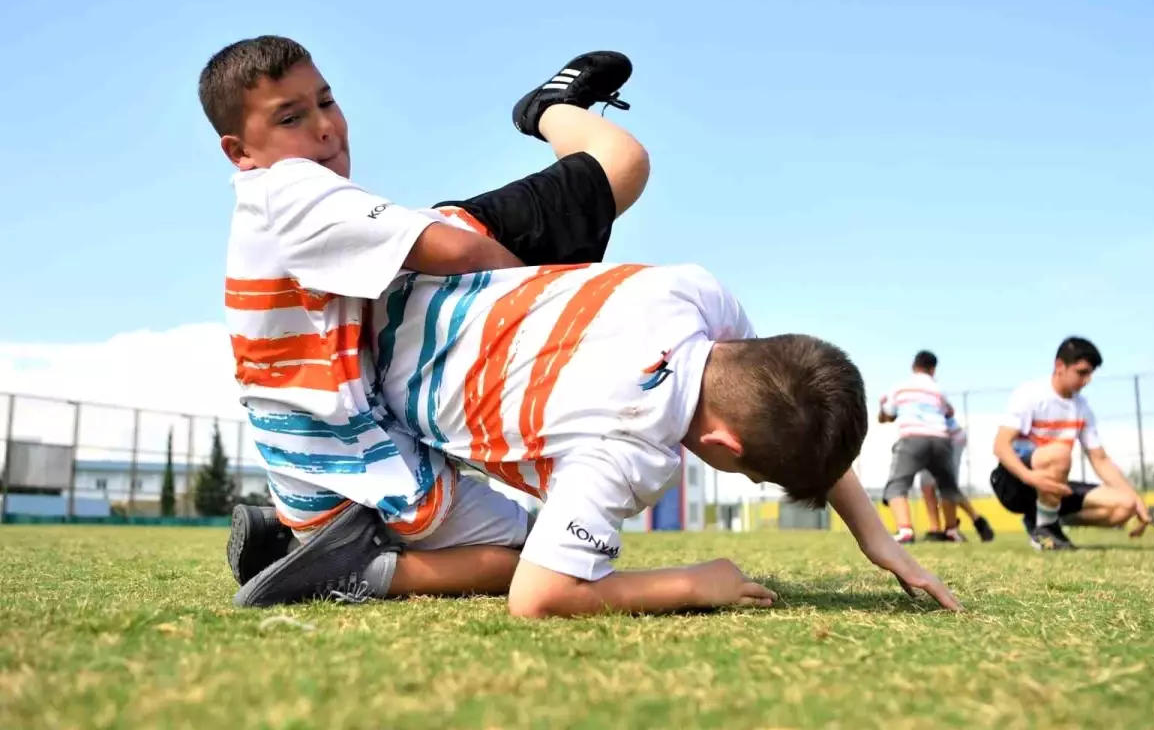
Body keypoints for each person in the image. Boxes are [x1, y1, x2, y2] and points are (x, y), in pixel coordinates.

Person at [235, 260, 962, 616]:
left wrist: (876, 536)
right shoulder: (631, 449)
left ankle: (558, 113)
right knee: (526, 550)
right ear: (726, 449)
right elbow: (537, 598)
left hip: (391, 290)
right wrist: (691, 585)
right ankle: (355, 569)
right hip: (360, 398)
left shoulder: (697, 295)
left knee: (617, 169)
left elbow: (793, 404)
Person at [204, 36, 651, 594]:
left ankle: (301, 542)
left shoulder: (266, 204)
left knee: (618, 169)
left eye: (326, 100)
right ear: (239, 150)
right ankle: (349, 572)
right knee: (543, 552)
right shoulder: (289, 188)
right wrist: (543, 305)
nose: (325, 126)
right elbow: (461, 255)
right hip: (368, 475)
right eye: (291, 117)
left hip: (315, 479)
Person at [990, 337, 1151, 550]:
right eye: (1082, 372)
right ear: (1060, 366)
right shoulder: (1031, 394)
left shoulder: (1082, 408)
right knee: (1059, 453)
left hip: (1051, 485)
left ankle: (1043, 522)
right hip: (1015, 481)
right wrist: (1031, 477)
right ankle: (1046, 526)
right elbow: (1000, 446)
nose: (1087, 380)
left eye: (1090, 374)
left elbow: (1100, 459)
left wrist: (1135, 499)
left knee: (1124, 505)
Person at [878, 351, 968, 543]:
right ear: (933, 369)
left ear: (913, 366)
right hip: (941, 439)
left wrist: (882, 409)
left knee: (897, 485)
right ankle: (951, 530)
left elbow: (887, 415)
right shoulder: (938, 389)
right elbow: (949, 412)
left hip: (913, 438)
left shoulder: (901, 387)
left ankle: (905, 530)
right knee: (947, 486)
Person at [915, 417, 995, 542]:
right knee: (926, 484)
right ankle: (935, 530)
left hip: (950, 438)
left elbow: (948, 410)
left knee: (946, 484)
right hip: (925, 439)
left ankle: (954, 528)